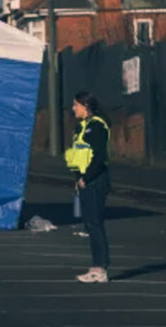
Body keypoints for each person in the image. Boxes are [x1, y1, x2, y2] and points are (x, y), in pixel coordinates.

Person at [64, 91, 111, 283]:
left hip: (95, 180)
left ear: (86, 106)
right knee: (90, 223)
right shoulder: (81, 127)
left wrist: (86, 178)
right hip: (85, 180)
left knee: (94, 223)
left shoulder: (97, 127)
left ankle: (100, 268)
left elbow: (99, 157)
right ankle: (96, 266)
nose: (73, 108)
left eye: (76, 105)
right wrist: (79, 178)